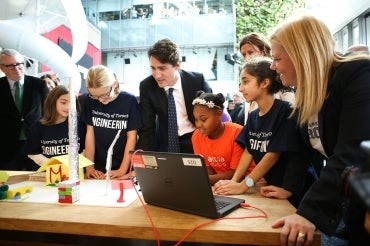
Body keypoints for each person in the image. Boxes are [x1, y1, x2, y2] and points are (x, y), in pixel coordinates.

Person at [267, 15, 370, 246]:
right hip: (354, 203)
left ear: (301, 54)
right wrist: (288, 189)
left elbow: (352, 151)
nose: (272, 66)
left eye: (277, 58)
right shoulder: (309, 94)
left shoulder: (358, 73)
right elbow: (303, 152)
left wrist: (309, 213)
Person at [213, 57, 311, 208]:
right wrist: (235, 181)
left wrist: (244, 186)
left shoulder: (286, 112)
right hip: (272, 187)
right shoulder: (253, 116)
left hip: (294, 190)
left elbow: (272, 155)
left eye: (246, 82)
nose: (240, 88)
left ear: (265, 83)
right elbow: (248, 151)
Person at [137, 38, 212, 153]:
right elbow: (147, 128)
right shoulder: (147, 86)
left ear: (177, 65)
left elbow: (212, 117)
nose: (157, 75)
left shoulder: (197, 81)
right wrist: (142, 159)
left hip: (198, 139)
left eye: (162, 68)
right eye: (153, 68)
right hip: (166, 144)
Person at [80, 65, 142, 179]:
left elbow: (132, 137)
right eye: (95, 96)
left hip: (121, 165)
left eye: (104, 94)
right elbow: (90, 134)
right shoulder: (89, 100)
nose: (100, 100)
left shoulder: (129, 100)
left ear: (114, 84)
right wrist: (89, 167)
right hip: (97, 167)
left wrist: (122, 169)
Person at [0, 48, 49, 171]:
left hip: (36, 144)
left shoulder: (39, 84)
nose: (16, 68)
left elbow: (48, 111)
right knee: (8, 183)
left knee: (38, 182)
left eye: (19, 64)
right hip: (7, 147)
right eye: (10, 66)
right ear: (2, 68)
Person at [239, 32, 295, 124]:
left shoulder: (280, 77)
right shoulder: (249, 84)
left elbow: (292, 112)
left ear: (263, 52)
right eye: (244, 54)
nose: (247, 58)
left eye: (251, 52)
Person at [25, 85, 86, 169]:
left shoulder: (80, 126)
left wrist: (73, 165)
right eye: (63, 102)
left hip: (75, 173)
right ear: (53, 102)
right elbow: (33, 153)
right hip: (49, 174)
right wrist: (52, 166)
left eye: (72, 103)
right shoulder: (38, 127)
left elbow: (86, 150)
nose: (68, 107)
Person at [191, 91, 244, 185]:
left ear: (219, 115)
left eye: (203, 119)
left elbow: (236, 174)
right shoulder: (197, 136)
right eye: (196, 120)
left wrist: (199, 179)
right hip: (220, 184)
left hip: (247, 183)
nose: (198, 125)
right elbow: (208, 171)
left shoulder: (237, 132)